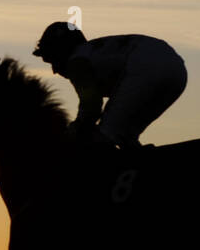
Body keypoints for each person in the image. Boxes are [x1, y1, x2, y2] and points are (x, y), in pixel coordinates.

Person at [33, 22, 187, 156]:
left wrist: (73, 131)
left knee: (104, 135)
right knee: (125, 132)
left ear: (61, 51)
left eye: (51, 59)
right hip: (177, 71)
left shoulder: (77, 61)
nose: (54, 69)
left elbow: (91, 106)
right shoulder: (93, 51)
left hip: (144, 66)